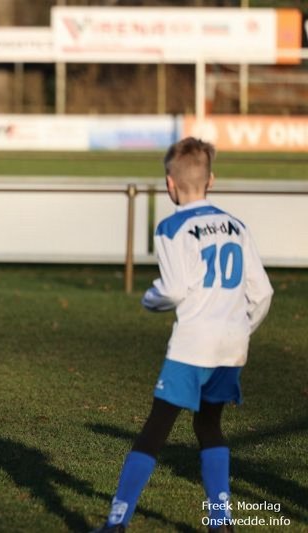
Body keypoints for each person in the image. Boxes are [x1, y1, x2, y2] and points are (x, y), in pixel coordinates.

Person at [92, 137, 273, 533]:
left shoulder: (172, 227)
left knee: (155, 430)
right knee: (209, 426)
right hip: (231, 346)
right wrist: (241, 329)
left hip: (193, 345)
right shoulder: (237, 226)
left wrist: (149, 299)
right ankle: (221, 522)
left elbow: (173, 289)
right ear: (211, 180)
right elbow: (263, 293)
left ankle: (116, 522)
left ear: (170, 184)